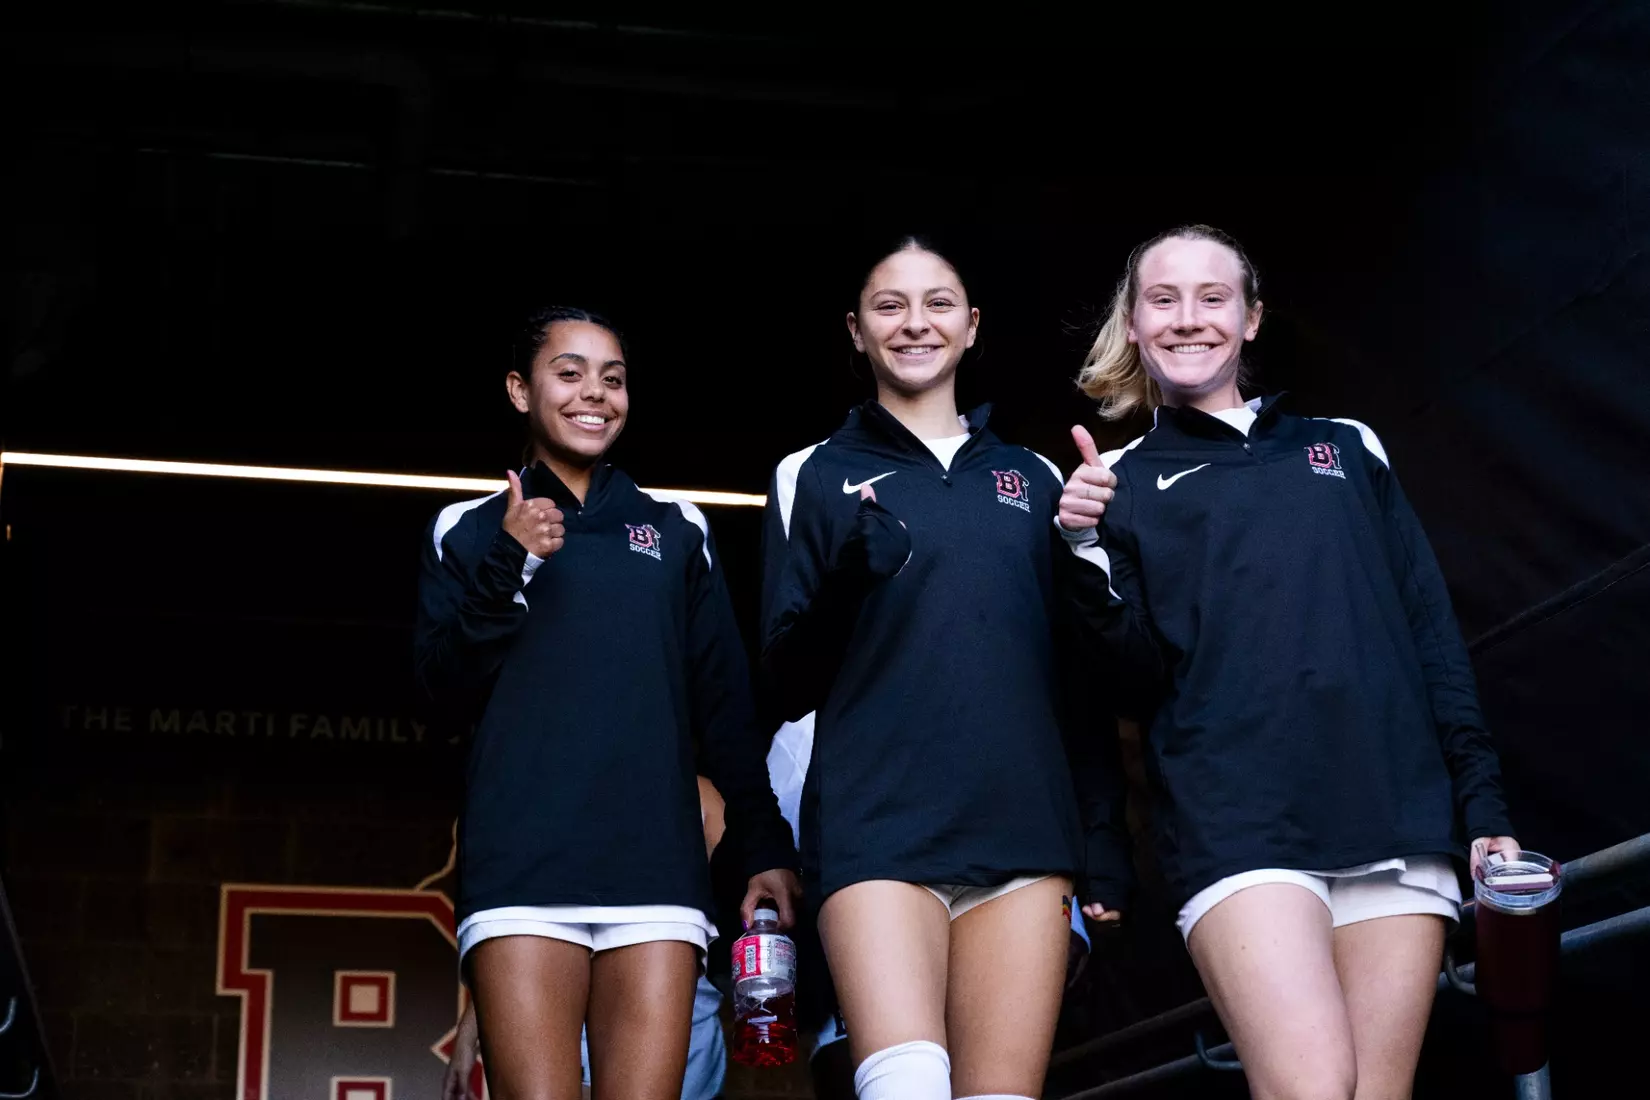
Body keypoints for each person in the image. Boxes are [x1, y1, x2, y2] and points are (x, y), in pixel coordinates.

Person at [1058, 224, 1519, 1100]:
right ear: (1133, 321)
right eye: (1163, 299)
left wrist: (1482, 803)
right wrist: (1082, 544)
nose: (1188, 319)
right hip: (1239, 826)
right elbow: (1126, 683)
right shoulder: (1111, 483)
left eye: (1213, 297)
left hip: (1393, 811)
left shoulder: (1347, 447)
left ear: (1253, 318)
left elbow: (1429, 637)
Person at [759, 236, 1134, 1100]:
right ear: (856, 332)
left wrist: (1104, 839)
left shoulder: (1034, 477)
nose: (914, 323)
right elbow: (778, 686)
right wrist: (849, 579)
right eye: (889, 305)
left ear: (971, 327)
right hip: (877, 831)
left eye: (938, 303)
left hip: (1024, 836)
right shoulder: (811, 475)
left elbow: (1074, 683)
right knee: (907, 1085)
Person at [415, 305, 800, 1100]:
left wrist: (762, 847)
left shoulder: (677, 528)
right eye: (570, 372)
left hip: (656, 873)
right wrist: (508, 563)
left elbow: (724, 710)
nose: (596, 393)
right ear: (521, 391)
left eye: (613, 378)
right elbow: (439, 698)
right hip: (522, 869)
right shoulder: (465, 528)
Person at [442, 778, 734, 1100]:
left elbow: (739, 917)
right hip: (559, 1021)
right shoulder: (523, 784)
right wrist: (469, 1030)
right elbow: (510, 931)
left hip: (675, 1022)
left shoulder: (694, 794)